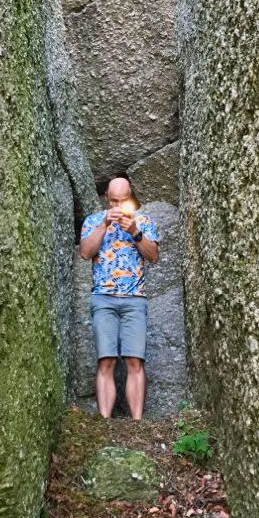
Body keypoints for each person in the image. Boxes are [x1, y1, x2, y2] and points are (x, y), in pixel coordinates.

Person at [80, 177, 160, 419]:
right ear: (106, 197)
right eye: (113, 200)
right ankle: (104, 422)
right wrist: (104, 224)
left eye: (122, 201)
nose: (117, 205)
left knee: (135, 361)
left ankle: (137, 423)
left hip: (134, 299)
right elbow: (85, 252)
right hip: (103, 299)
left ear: (130, 197)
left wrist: (134, 231)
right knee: (106, 361)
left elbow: (153, 256)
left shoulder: (143, 221)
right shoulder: (93, 221)